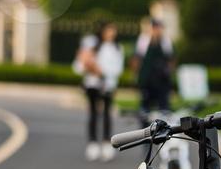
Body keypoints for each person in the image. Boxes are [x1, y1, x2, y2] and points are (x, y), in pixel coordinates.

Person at [73, 22, 124, 161]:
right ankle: (93, 143)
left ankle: (107, 143)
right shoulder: (93, 45)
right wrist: (88, 66)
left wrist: (102, 73)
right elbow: (79, 65)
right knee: (93, 114)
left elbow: (118, 69)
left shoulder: (117, 48)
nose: (111, 33)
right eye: (108, 30)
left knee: (107, 114)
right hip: (93, 85)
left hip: (108, 86)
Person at [132, 18, 175, 122]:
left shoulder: (166, 41)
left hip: (162, 81)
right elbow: (137, 59)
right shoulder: (143, 40)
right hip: (147, 80)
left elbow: (171, 59)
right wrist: (136, 77)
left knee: (164, 110)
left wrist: (169, 74)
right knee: (145, 109)